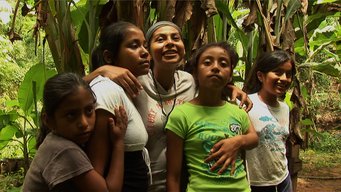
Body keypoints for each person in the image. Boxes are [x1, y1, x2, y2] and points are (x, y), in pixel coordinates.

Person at [85, 21, 253, 192]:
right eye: (160, 39)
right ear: (149, 51)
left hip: (184, 183)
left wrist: (230, 87)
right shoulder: (133, 81)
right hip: (144, 184)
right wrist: (101, 71)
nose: (170, 43)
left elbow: (212, 80)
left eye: (176, 38)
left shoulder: (189, 81)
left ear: (184, 48)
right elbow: (77, 94)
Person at [165, 42, 258, 192]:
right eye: (207, 62)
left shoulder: (238, 111)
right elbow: (173, 176)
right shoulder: (180, 115)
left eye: (223, 64)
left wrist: (238, 141)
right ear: (195, 73)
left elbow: (253, 138)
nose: (215, 67)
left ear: (229, 76)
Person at [22, 72, 127, 192]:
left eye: (89, 111)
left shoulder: (54, 142)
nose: (83, 123)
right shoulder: (64, 150)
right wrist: (119, 142)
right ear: (49, 121)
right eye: (71, 115)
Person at [86, 21, 150, 192]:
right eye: (134, 46)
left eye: (145, 45)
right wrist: (101, 71)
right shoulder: (106, 90)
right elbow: (96, 170)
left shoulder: (127, 89)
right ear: (108, 57)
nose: (145, 52)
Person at [243, 50, 296, 192]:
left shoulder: (285, 108)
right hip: (255, 184)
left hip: (283, 180)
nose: (284, 78)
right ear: (260, 76)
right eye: (277, 73)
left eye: (288, 74)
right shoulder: (245, 104)